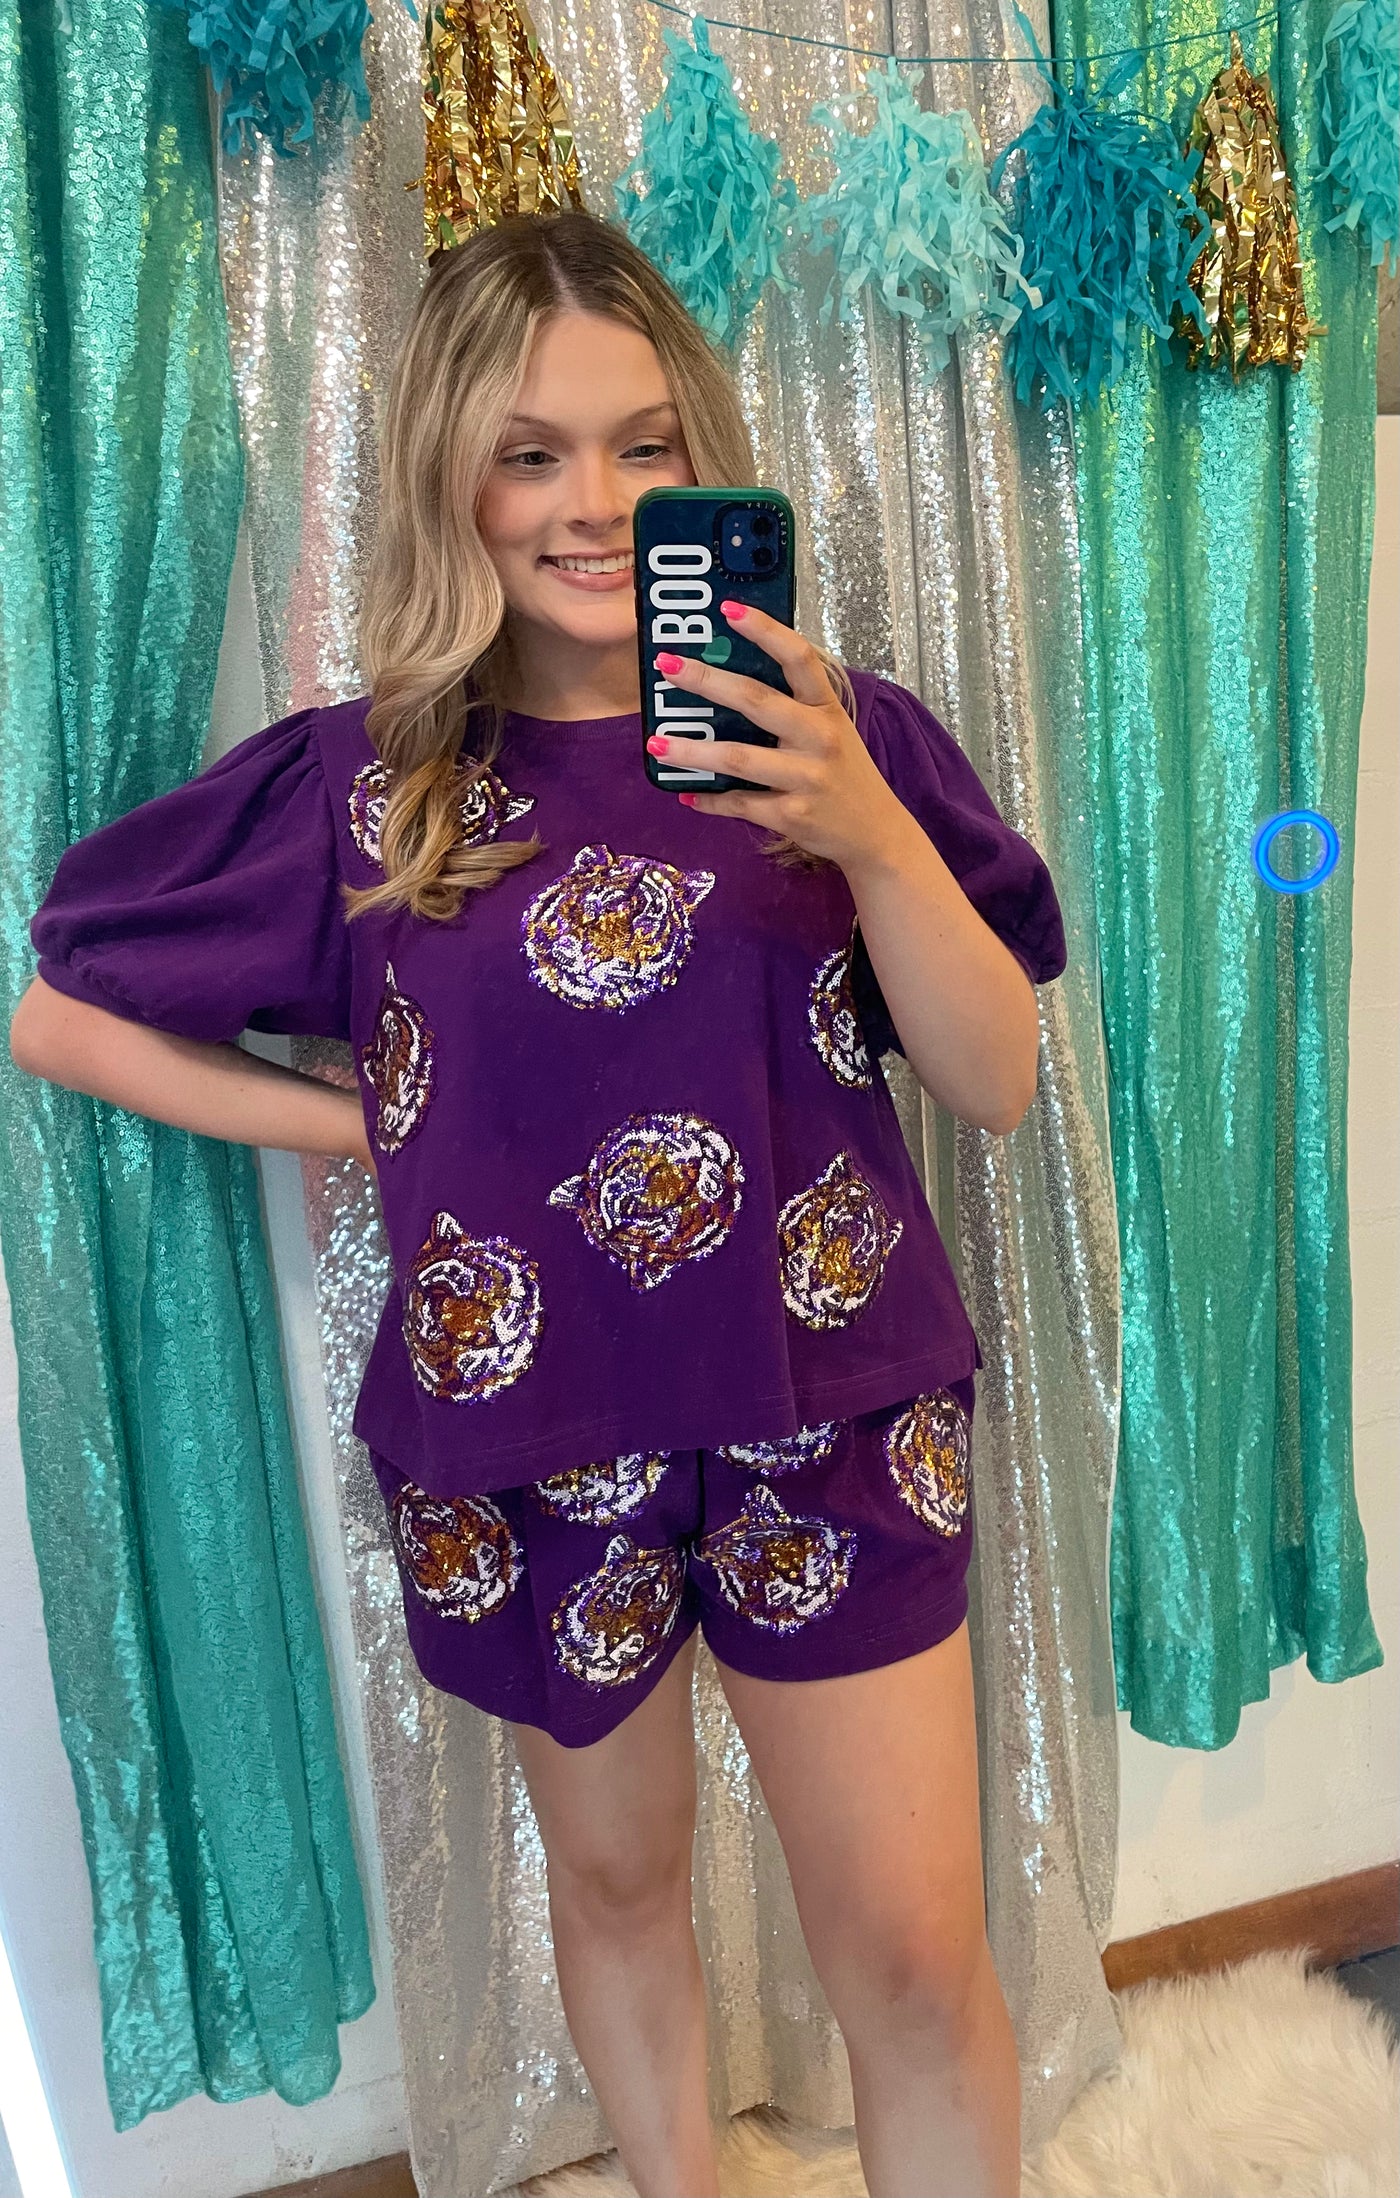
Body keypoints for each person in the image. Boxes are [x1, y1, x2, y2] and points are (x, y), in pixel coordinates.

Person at [11, 211, 1066, 2198]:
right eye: (532, 452)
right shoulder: (363, 787)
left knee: (916, 1962)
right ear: (454, 479)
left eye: (645, 445)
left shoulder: (839, 737)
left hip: (830, 1416)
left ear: (704, 462)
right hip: (525, 1440)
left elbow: (994, 1074)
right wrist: (365, 1126)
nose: (595, 503)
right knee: (620, 1890)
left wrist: (864, 832)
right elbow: (57, 1012)